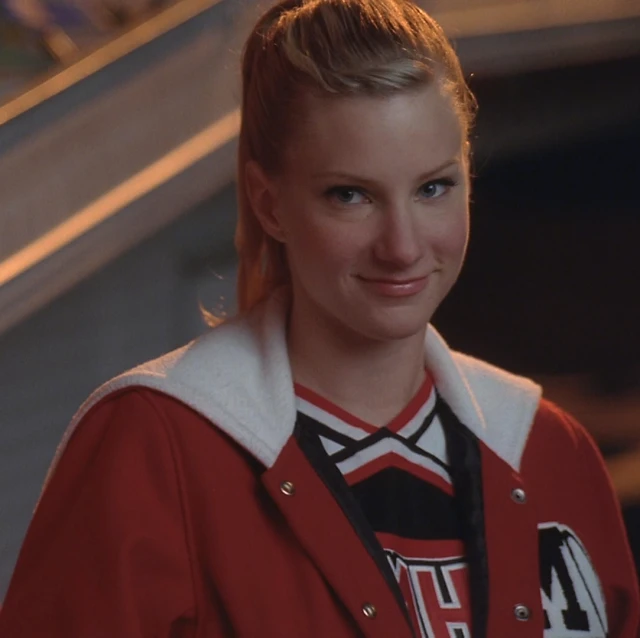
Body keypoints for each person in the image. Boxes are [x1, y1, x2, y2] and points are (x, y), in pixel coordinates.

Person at [0, 0, 638, 636]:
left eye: (433, 188)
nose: (403, 246)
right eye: (350, 195)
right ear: (269, 203)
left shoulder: (549, 450)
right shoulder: (157, 447)